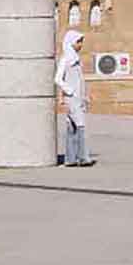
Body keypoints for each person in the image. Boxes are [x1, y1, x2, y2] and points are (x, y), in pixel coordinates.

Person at [54, 29, 94, 168]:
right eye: (78, 42)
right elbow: (58, 79)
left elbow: (80, 81)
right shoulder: (66, 59)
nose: (80, 45)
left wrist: (84, 96)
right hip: (72, 99)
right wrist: (69, 92)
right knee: (81, 125)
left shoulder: (76, 59)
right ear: (71, 43)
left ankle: (70, 159)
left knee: (72, 127)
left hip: (78, 98)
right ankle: (83, 158)